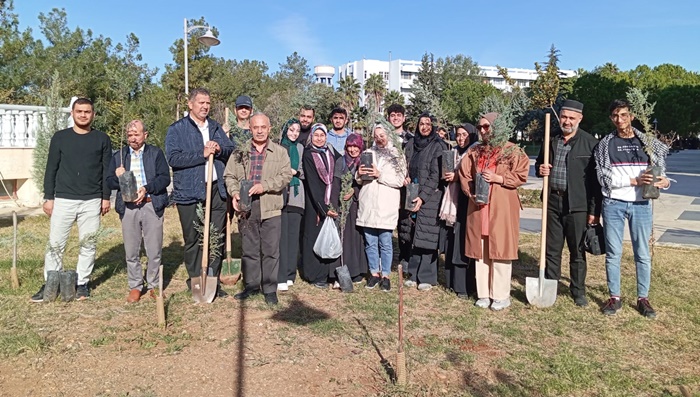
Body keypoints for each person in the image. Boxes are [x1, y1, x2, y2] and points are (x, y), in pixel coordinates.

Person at [593, 99, 671, 318]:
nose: (620, 119)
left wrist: (664, 182)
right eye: (616, 116)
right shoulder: (605, 145)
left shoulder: (646, 142)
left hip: (641, 205)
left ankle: (643, 298)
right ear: (611, 118)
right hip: (613, 204)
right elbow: (604, 177)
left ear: (632, 116)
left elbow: (661, 172)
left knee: (642, 253)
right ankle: (614, 297)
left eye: (624, 115)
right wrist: (633, 181)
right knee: (613, 253)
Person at [31, 98, 112, 302]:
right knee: (55, 244)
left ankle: (82, 283)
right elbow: (51, 169)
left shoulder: (102, 139)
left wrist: (105, 197)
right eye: (79, 111)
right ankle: (51, 282)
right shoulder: (60, 138)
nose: (83, 115)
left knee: (88, 244)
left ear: (93, 114)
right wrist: (48, 197)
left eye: (87, 111)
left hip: (91, 200)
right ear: (72, 113)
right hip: (63, 200)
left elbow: (106, 171)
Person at [165, 88, 234, 299]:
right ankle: (196, 278)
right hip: (189, 190)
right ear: (191, 104)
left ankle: (212, 279)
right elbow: (174, 158)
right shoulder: (177, 129)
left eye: (208, 103)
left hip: (215, 188)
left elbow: (231, 148)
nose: (205, 106)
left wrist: (219, 148)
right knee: (193, 237)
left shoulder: (214, 127)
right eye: (201, 102)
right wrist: (202, 153)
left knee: (215, 236)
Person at [458, 113, 529, 311]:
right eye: (480, 127)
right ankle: (483, 293)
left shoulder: (512, 150)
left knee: (500, 250)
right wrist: (470, 192)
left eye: (487, 127)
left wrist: (499, 178)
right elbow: (464, 174)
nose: (482, 131)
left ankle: (500, 295)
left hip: (502, 209)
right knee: (480, 251)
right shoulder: (475, 151)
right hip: (479, 208)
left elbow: (521, 174)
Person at [535, 100, 601, 307]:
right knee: (552, 248)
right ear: (559, 117)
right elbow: (539, 163)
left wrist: (593, 211)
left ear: (580, 119)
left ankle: (578, 291)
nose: (567, 121)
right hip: (552, 201)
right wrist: (541, 169)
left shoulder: (590, 144)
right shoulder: (551, 139)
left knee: (577, 250)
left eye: (572, 118)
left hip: (577, 205)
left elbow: (595, 183)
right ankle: (551, 285)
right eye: (564, 117)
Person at [224, 113, 292, 305]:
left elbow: (286, 176)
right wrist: (235, 193)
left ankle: (269, 288)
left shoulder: (279, 152)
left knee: (271, 250)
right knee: (249, 249)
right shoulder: (240, 152)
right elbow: (229, 176)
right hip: (247, 206)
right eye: (256, 127)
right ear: (250, 129)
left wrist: (265, 185)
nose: (260, 131)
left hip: (270, 205)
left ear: (269, 128)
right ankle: (252, 285)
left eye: (263, 127)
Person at [106, 120, 170, 303]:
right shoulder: (119, 156)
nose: (133, 138)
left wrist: (147, 188)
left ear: (145, 135)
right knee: (131, 250)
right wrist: (118, 177)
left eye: (137, 134)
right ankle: (135, 286)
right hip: (128, 207)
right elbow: (109, 181)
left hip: (151, 204)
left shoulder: (155, 154)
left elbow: (164, 178)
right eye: (130, 135)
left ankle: (153, 285)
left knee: (154, 249)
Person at [399, 112, 449, 291]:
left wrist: (423, 196)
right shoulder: (411, 144)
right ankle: (413, 273)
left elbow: (436, 176)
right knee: (413, 235)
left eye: (428, 124)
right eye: (422, 123)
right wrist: (404, 177)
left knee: (427, 238)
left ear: (433, 126)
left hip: (430, 198)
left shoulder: (438, 146)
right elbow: (404, 164)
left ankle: (427, 277)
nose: (425, 127)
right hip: (412, 193)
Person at [357, 121, 407, 291]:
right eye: (376, 136)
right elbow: (358, 178)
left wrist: (380, 174)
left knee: (385, 242)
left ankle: (385, 275)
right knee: (370, 241)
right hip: (369, 203)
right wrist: (360, 174)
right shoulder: (368, 152)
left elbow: (400, 180)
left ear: (388, 136)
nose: (379, 139)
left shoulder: (397, 155)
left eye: (382, 135)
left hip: (386, 204)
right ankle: (374, 273)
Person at [439, 123, 478, 299]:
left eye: (464, 135)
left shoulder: (475, 151)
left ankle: (464, 285)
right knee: (451, 241)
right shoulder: (453, 152)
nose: (461, 138)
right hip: (451, 202)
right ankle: (451, 282)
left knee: (462, 243)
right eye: (458, 135)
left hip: (466, 201)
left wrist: (458, 177)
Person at [301, 123, 341, 288]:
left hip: (330, 198)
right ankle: (314, 275)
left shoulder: (330, 152)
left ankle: (328, 272)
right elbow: (312, 182)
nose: (319, 138)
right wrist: (323, 208)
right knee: (314, 236)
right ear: (311, 136)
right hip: (315, 202)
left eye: (322, 135)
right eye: (316, 135)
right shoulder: (309, 154)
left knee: (329, 237)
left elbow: (343, 163)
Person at [331, 132, 368, 286]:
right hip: (343, 206)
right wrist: (336, 204)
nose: (353, 150)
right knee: (344, 239)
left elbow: (367, 183)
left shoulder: (364, 162)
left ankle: (357, 271)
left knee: (357, 239)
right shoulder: (341, 162)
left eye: (355, 146)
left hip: (358, 205)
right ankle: (343, 271)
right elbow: (335, 184)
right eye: (350, 146)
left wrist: (354, 190)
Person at [277, 118, 305, 291]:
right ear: (285, 130)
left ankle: (290, 274)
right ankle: (280, 274)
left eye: (297, 131)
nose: (294, 133)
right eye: (291, 130)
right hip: (280, 195)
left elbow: (302, 170)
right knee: (281, 237)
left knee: (293, 237)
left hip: (296, 195)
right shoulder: (278, 146)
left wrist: (295, 172)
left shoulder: (300, 148)